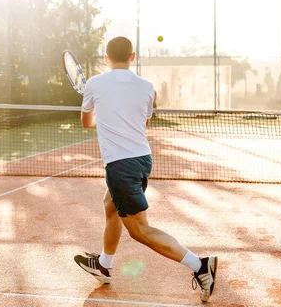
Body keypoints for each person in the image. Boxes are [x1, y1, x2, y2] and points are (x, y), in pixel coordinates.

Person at [73, 36, 217, 302]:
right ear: (132, 56)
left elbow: (87, 123)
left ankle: (200, 266)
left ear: (106, 57)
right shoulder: (147, 87)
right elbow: (143, 124)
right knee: (110, 205)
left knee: (139, 230)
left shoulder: (93, 84)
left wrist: (97, 110)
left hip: (120, 164)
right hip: (142, 159)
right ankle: (104, 265)